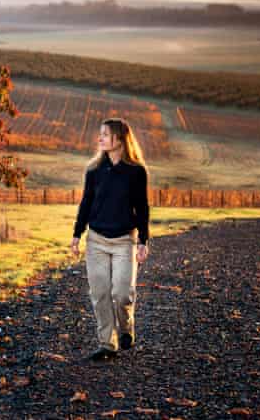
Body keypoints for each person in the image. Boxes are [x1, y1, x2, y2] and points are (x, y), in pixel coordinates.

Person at [71, 117, 151, 362]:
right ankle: (108, 343)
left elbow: (142, 207)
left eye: (105, 134)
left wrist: (143, 241)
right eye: (101, 134)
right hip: (95, 240)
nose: (100, 138)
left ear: (119, 139)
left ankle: (126, 328)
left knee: (123, 293)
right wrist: (77, 234)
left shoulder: (136, 172)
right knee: (100, 293)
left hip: (124, 241)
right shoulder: (94, 171)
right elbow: (86, 203)